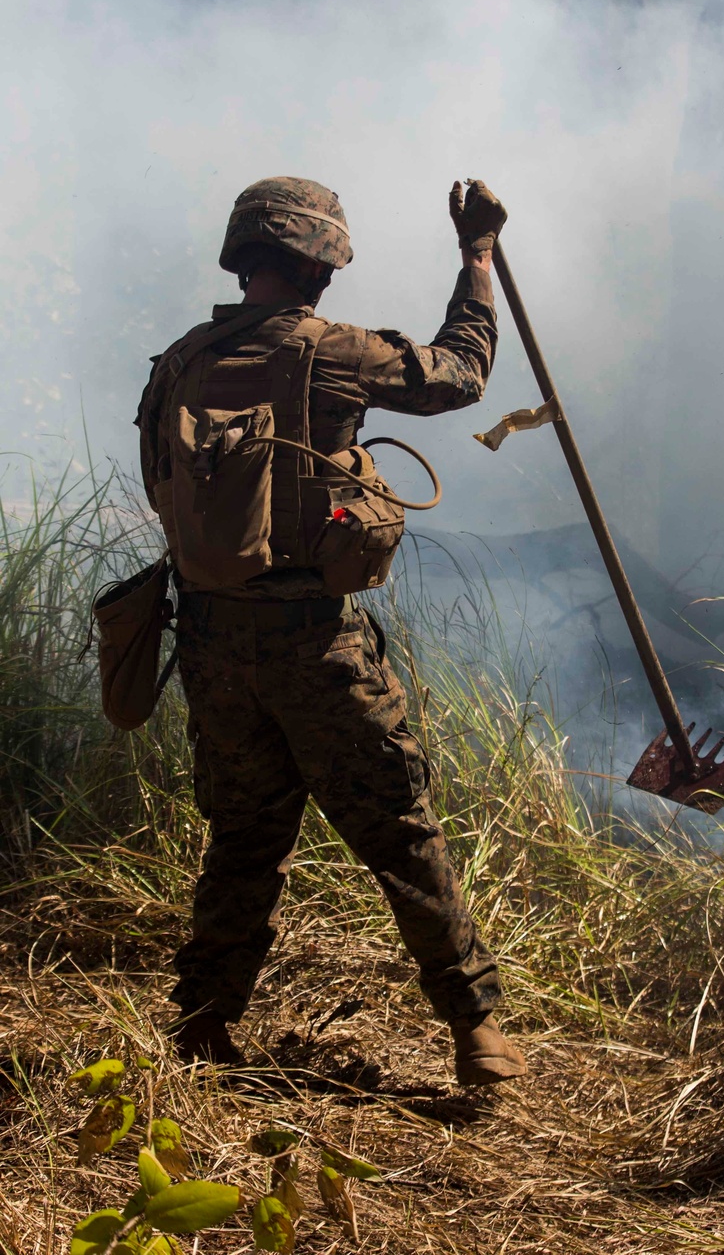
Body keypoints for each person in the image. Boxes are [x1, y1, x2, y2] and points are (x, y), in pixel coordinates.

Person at [135, 174, 526, 1085]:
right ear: (321, 261)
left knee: (242, 834)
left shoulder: (177, 361)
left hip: (209, 642)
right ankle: (476, 1032)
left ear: (246, 256)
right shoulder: (336, 352)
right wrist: (478, 258)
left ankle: (201, 1026)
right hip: (316, 644)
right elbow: (460, 375)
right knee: (399, 828)